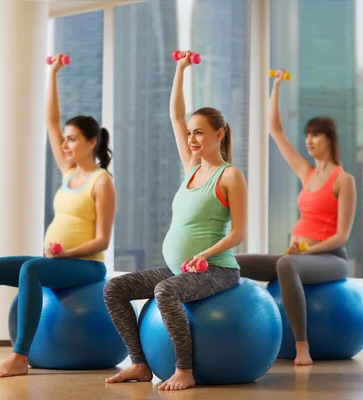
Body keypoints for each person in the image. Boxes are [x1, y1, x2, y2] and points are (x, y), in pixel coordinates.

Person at [0, 53, 116, 378]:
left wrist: (65, 253)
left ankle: (20, 356)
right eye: (64, 139)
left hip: (88, 266)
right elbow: (51, 120)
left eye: (73, 139)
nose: (65, 145)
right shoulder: (68, 172)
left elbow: (102, 239)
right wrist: (52, 72)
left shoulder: (102, 181)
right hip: (60, 262)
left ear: (91, 142)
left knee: (31, 269)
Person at [102, 50, 247, 391]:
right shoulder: (191, 168)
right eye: (191, 134)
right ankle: (139, 363)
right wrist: (181, 69)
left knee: (165, 291)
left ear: (219, 134)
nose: (192, 139)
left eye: (200, 133)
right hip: (179, 268)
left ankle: (185, 370)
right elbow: (175, 115)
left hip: (218, 270)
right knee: (114, 289)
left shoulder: (230, 176)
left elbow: (240, 232)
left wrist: (205, 255)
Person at [235, 69, 356, 366]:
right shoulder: (307, 173)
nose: (309, 141)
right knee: (235, 261)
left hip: (331, 259)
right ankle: (241, 331)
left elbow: (342, 236)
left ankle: (302, 345)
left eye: (316, 135)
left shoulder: (344, 180)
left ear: (330, 139)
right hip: (298, 256)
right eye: (307, 136)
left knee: (286, 264)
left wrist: (305, 250)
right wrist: (274, 86)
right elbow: (274, 129)